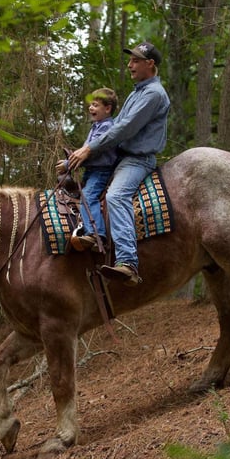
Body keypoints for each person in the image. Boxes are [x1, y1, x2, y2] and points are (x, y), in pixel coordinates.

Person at [68, 42, 170, 286]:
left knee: (116, 196)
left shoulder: (154, 94)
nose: (130, 65)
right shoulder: (138, 91)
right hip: (121, 157)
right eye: (130, 60)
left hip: (137, 159)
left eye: (135, 61)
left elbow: (125, 128)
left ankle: (128, 263)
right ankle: (92, 237)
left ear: (150, 64)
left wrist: (90, 149)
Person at [56, 87, 119, 252]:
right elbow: (84, 151)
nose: (91, 108)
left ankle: (96, 233)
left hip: (101, 172)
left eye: (96, 105)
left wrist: (69, 165)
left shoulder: (106, 128)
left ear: (107, 108)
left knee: (88, 196)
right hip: (92, 171)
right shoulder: (97, 126)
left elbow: (92, 153)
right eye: (91, 105)